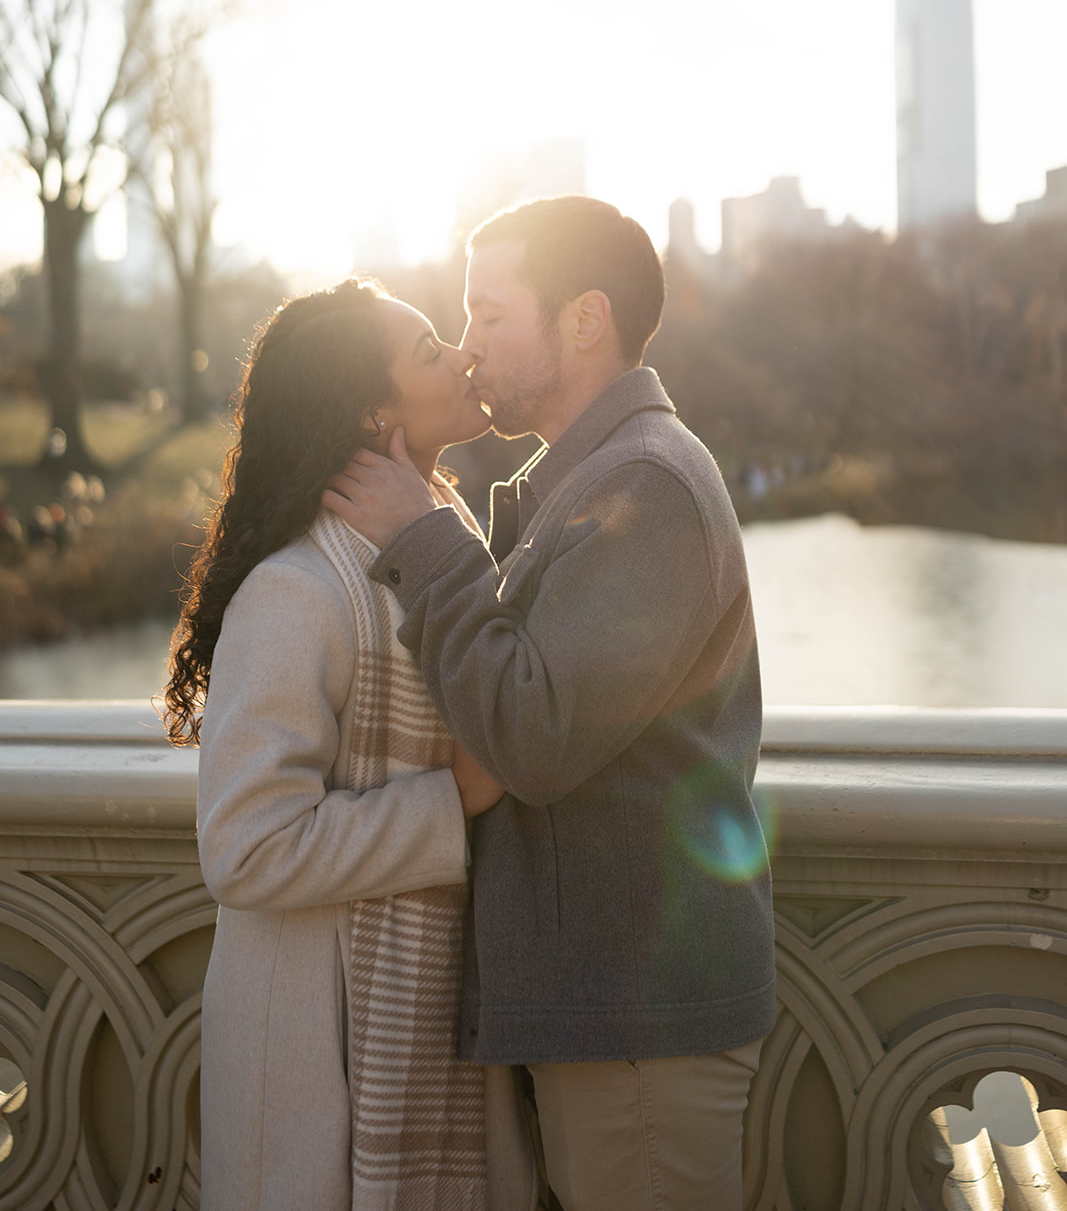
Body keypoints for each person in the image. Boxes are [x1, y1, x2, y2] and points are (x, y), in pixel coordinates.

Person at [323, 197, 777, 1211]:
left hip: (637, 1032)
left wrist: (423, 539)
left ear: (583, 320)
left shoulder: (645, 486)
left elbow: (532, 736)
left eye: (489, 314)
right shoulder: (591, 481)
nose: (469, 346)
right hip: (610, 1023)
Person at [163, 279, 539, 1211]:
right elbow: (243, 847)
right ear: (375, 411)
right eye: (426, 352)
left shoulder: (443, 550)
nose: (461, 353)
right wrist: (450, 804)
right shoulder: (300, 592)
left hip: (441, 1020)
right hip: (314, 1054)